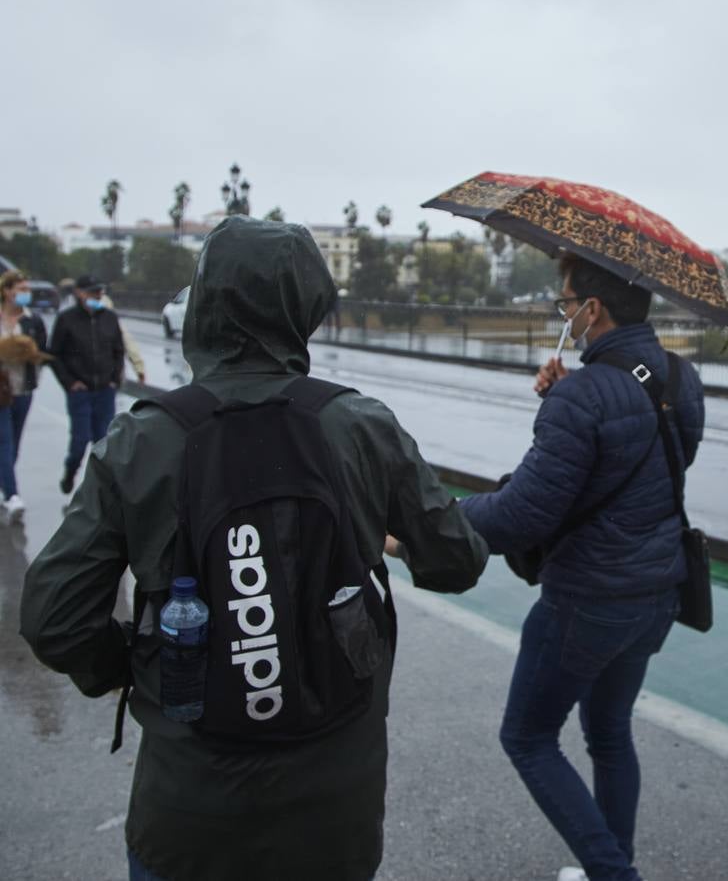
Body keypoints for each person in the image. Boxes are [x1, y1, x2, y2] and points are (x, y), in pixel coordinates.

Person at [20, 217, 489, 881]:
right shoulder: (359, 424)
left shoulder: (145, 438)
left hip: (187, 817)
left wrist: (131, 664)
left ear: (205, 304)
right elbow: (458, 558)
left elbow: (54, 619)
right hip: (333, 817)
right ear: (306, 310)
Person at [456, 253, 704, 881]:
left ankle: (615, 876)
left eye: (566, 301)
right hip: (658, 590)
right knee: (610, 732)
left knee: (529, 738)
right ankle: (610, 866)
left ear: (592, 310)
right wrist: (566, 394)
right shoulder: (682, 377)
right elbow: (657, 463)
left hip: (586, 600)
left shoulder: (585, 394)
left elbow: (521, 515)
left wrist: (439, 519)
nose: (563, 312)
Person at [47, 274, 126, 493]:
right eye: (91, 292)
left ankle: (97, 490)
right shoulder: (67, 319)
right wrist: (70, 382)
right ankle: (70, 472)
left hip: (104, 390)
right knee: (80, 440)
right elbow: (55, 355)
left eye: (99, 292)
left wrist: (114, 378)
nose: (96, 296)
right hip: (80, 391)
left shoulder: (109, 317)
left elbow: (118, 350)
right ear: (79, 293)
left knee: (103, 442)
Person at [0, 270, 49, 522]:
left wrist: (29, 354)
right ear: (7, 291)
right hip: (0, 391)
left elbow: (42, 348)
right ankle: (13, 495)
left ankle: (5, 481)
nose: (24, 293)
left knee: (14, 443)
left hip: (24, 388)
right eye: (20, 288)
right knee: (4, 441)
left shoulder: (33, 320)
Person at [101, 292, 148, 385]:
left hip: (101, 377)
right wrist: (139, 370)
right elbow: (130, 346)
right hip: (110, 376)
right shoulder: (114, 324)